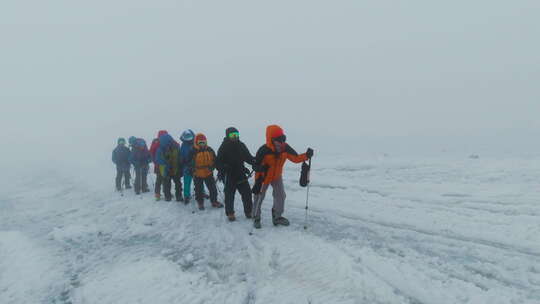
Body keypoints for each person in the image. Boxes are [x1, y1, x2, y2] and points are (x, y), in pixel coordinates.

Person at [252, 125, 313, 229]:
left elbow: (296, 158)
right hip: (264, 177)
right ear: (271, 139)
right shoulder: (263, 150)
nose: (281, 142)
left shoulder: (285, 148)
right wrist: (262, 169)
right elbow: (255, 165)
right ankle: (256, 217)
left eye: (282, 139)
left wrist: (306, 155)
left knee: (281, 195)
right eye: (278, 140)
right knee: (259, 197)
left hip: (276, 176)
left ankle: (277, 216)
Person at [216, 127, 257, 221]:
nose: (234, 137)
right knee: (229, 195)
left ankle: (248, 211)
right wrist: (224, 167)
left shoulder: (241, 145)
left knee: (247, 193)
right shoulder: (223, 147)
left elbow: (249, 158)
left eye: (236, 135)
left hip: (241, 173)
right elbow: (217, 163)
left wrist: (255, 162)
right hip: (229, 175)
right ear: (227, 136)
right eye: (232, 135)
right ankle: (230, 213)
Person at [190, 133, 223, 210]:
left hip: (208, 173)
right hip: (197, 173)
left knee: (213, 188)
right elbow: (189, 161)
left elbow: (215, 160)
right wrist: (192, 169)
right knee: (198, 189)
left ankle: (214, 201)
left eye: (203, 142)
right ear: (196, 142)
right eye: (200, 142)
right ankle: (200, 203)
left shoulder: (210, 150)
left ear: (206, 142)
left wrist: (213, 167)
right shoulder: (193, 151)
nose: (202, 144)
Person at [156, 133, 183, 202]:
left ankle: (178, 196)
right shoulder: (160, 149)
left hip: (175, 168)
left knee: (177, 183)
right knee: (168, 184)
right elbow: (159, 160)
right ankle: (168, 196)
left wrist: (180, 167)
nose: (168, 144)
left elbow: (180, 157)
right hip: (166, 169)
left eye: (169, 142)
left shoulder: (176, 147)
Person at [149, 130, 168, 201]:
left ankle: (157, 194)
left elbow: (151, 152)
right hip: (162, 165)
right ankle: (165, 193)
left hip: (157, 165)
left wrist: (155, 162)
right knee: (164, 179)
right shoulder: (162, 142)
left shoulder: (155, 142)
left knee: (159, 179)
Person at [180, 129, 195, 204]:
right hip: (187, 166)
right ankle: (186, 196)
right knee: (187, 182)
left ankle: (201, 192)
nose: (188, 140)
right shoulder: (183, 145)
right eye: (186, 138)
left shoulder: (195, 144)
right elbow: (181, 155)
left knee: (198, 181)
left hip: (195, 166)